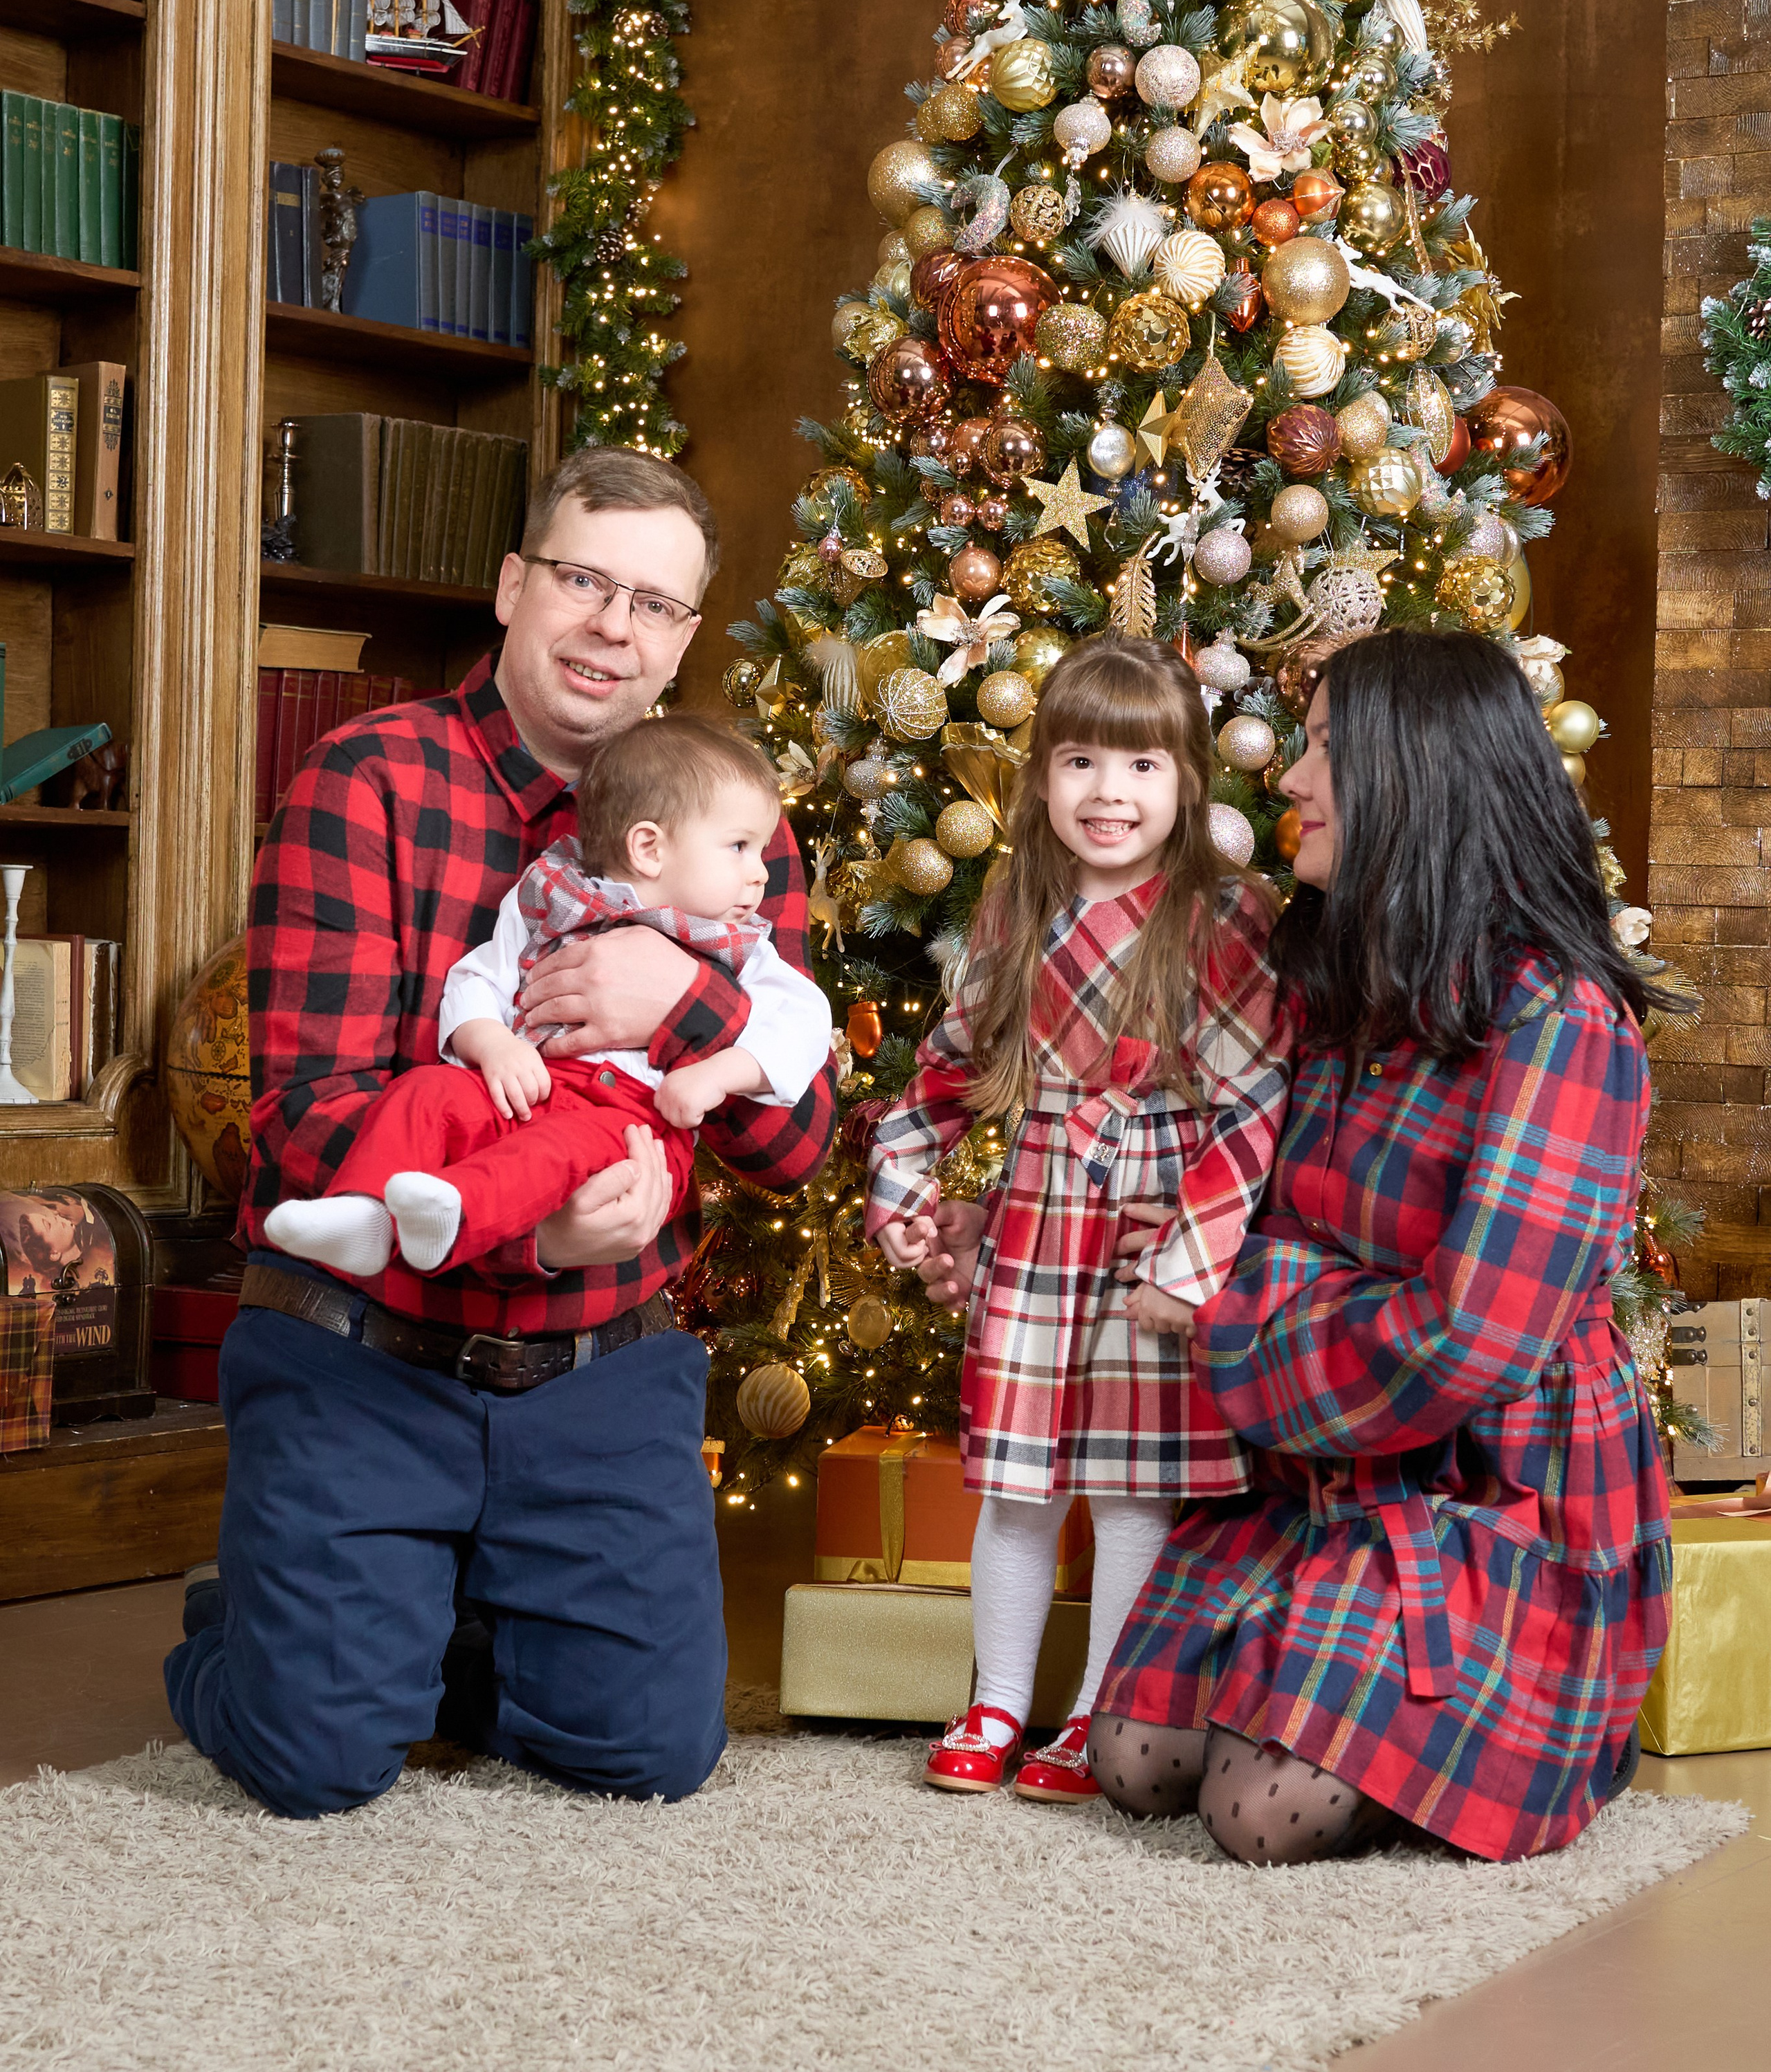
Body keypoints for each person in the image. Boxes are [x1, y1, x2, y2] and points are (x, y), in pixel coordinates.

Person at [164, 446, 837, 1819]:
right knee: (315, 1760)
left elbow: (793, 1147)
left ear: (683, 639)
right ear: (513, 585)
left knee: (649, 1754)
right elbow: (300, 1131)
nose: (611, 624)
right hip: (367, 1348)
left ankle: (439, 1605)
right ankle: (255, 1618)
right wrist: (532, 1220)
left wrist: (690, 1004)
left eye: (653, 603)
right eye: (584, 580)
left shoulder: (732, 830)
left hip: (600, 1367)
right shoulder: (370, 783)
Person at [1083, 630, 1684, 1864]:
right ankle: (1355, 1692)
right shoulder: (1333, 984)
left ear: (1412, 777)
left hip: (1499, 1500)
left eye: (1319, 753)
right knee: (1137, 1764)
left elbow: (1471, 1336)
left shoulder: (1559, 1017)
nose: (1291, 782)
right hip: (1320, 1476)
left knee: (1259, 1813)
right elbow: (1248, 1207)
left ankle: (1504, 1720)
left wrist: (1237, 1299)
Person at [866, 636, 1290, 1804]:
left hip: (1156, 1221)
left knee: (1131, 1484)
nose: (1110, 792)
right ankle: (999, 1697)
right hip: (1040, 1213)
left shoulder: (1224, 915)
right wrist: (909, 1190)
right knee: (1017, 1475)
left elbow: (1255, 1100)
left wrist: (1194, 1262)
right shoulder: (1015, 907)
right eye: (1082, 761)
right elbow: (947, 1070)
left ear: (1190, 782)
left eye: (1143, 768)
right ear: (1040, 775)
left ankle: (1100, 1711)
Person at [261, 716, 831, 1277]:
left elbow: (803, 1023)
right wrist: (490, 1044)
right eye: (739, 848)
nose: (760, 875)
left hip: (632, 1123)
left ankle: (455, 1217)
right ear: (649, 847)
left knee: (556, 1151)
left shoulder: (740, 943)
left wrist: (715, 1069)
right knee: (426, 1091)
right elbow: (479, 976)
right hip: (524, 1094)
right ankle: (363, 1211)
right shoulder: (555, 896)